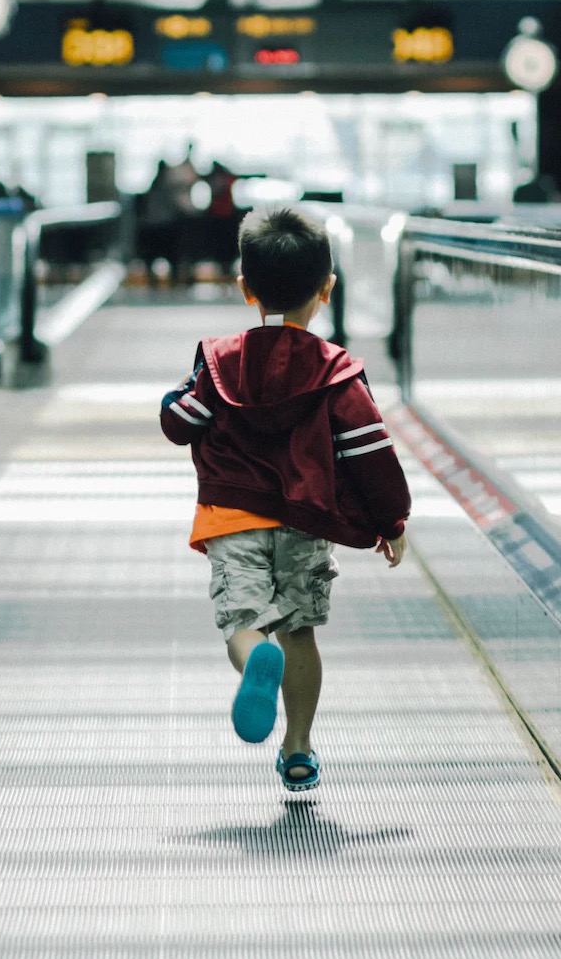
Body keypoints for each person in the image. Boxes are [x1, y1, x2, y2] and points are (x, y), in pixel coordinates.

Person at [160, 207, 411, 792]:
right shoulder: (337, 372)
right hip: (305, 517)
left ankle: (254, 658)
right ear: (327, 289)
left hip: (232, 518)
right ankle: (298, 749)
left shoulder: (220, 362)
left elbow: (179, 424)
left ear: (245, 288)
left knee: (243, 623)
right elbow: (370, 451)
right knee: (300, 632)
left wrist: (177, 394)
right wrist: (391, 521)